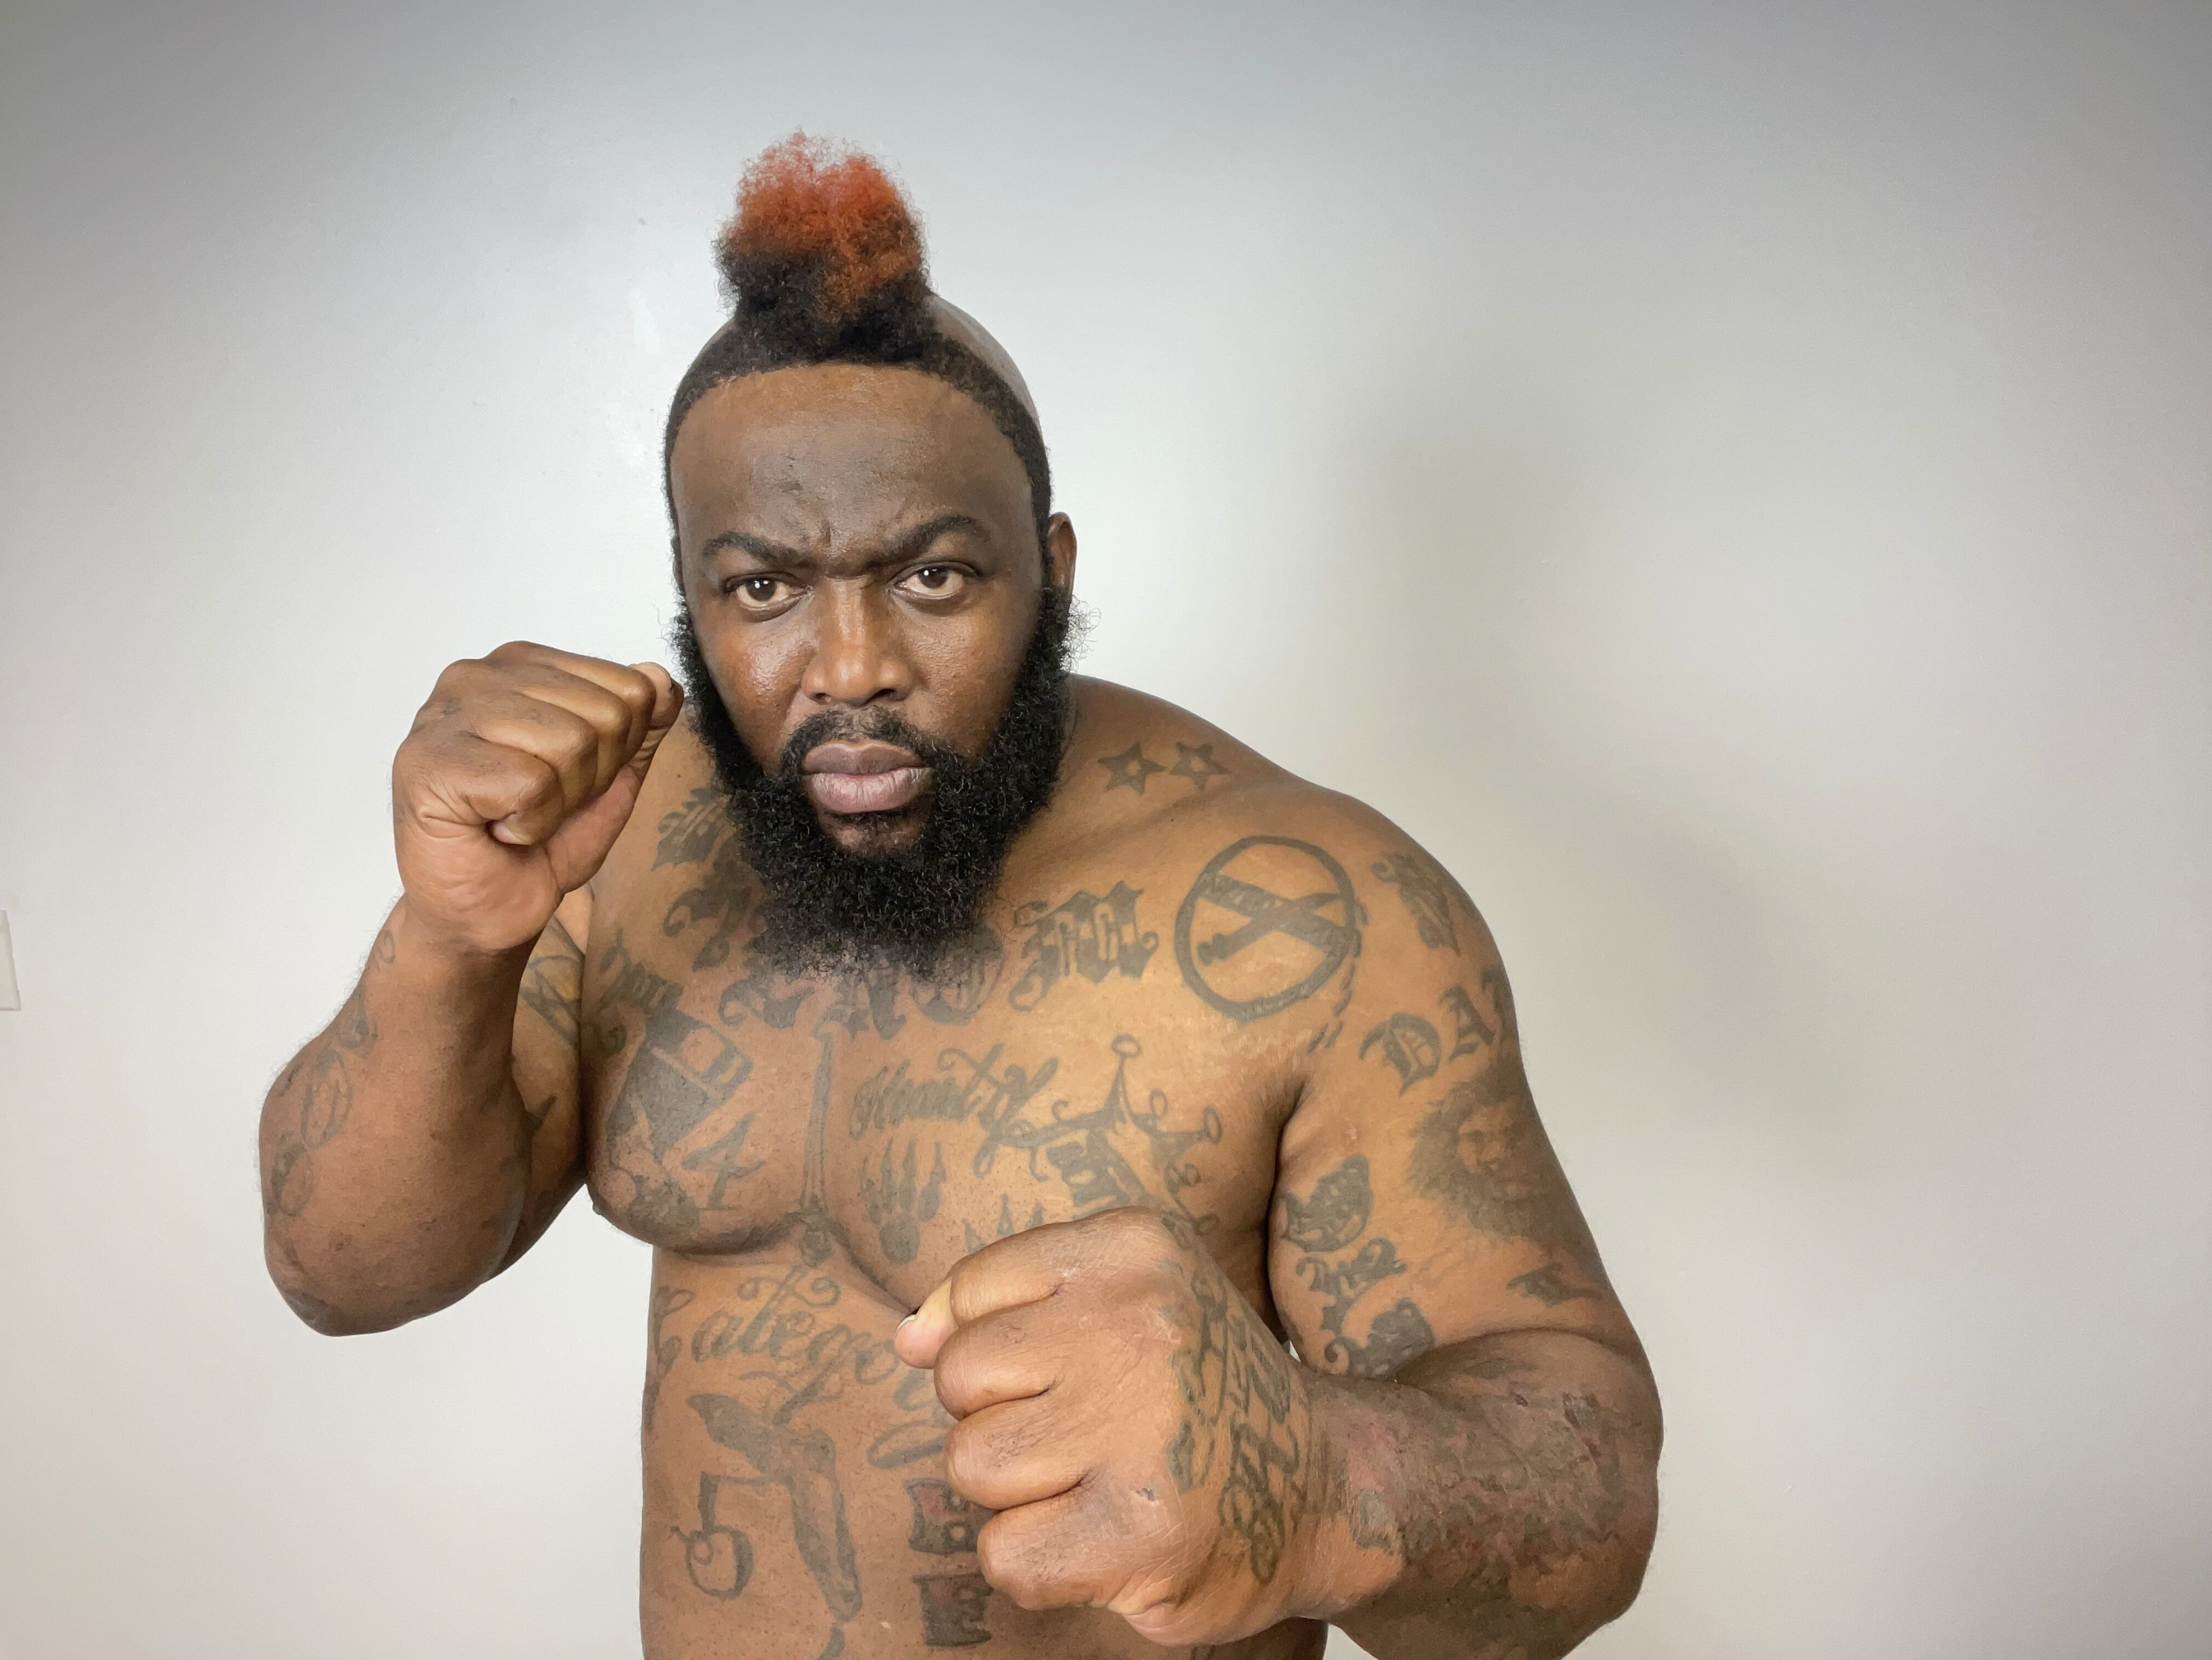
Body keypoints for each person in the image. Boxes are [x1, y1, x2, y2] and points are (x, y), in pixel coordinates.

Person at [258, 133, 1661, 1660]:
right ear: (690, 591)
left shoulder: (1318, 908)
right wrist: (451, 940)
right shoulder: (628, 836)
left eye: (931, 577)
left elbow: (1585, 1498)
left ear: (1048, 571)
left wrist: (1319, 1472)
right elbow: (343, 1273)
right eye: (763, 587)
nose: (850, 670)